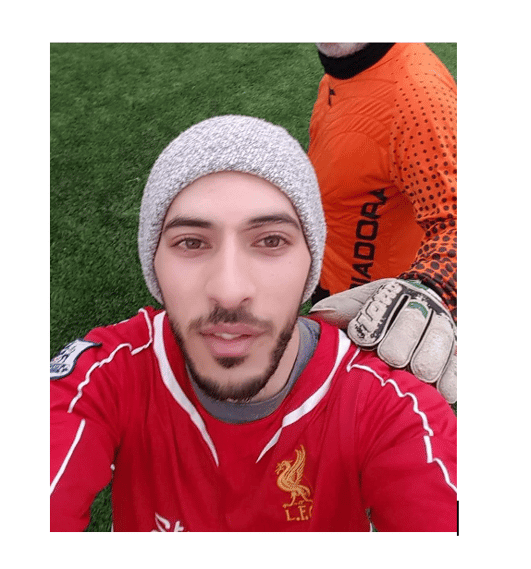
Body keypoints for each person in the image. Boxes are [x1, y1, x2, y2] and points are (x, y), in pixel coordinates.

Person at [50, 115, 457, 532]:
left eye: (271, 241)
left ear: (310, 267)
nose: (229, 291)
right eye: (191, 242)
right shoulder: (103, 376)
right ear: (154, 265)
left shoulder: (393, 408)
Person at [306, 44, 457, 403]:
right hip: (329, 289)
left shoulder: (419, 97)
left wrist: (432, 288)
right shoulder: (345, 66)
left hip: (376, 322)